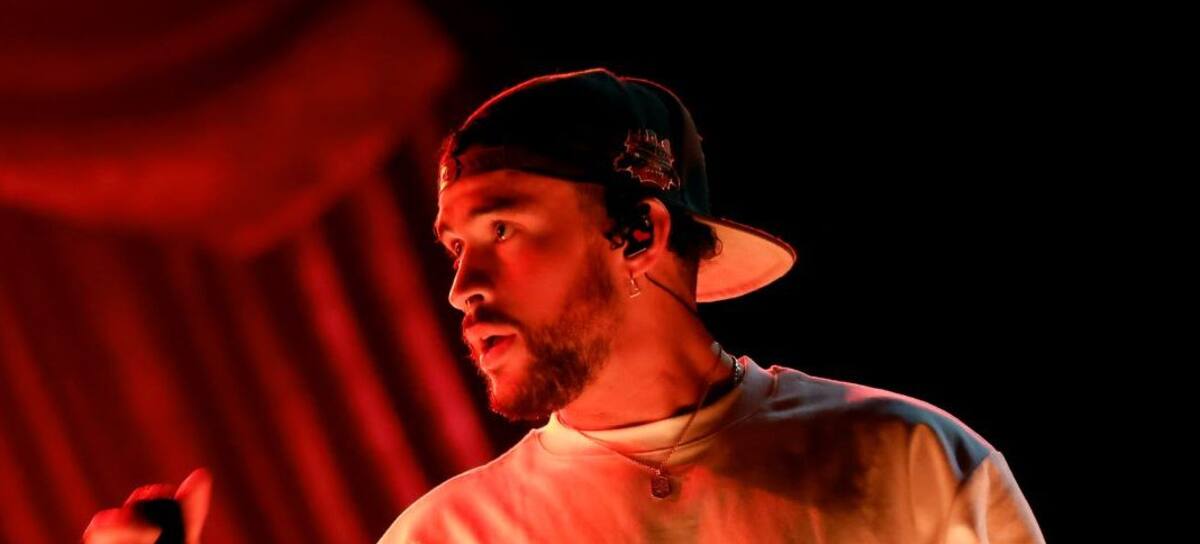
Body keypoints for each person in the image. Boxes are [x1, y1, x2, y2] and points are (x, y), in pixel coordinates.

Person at [85, 68, 1044, 543]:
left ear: (639, 234)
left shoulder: (912, 462)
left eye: (502, 228)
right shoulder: (446, 538)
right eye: (453, 245)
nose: (461, 285)